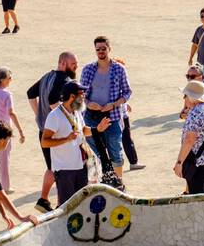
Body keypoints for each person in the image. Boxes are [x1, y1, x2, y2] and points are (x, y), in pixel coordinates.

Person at [27, 51, 81, 213]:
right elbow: (52, 101)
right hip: (56, 133)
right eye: (73, 64)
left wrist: (38, 115)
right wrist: (67, 118)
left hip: (43, 129)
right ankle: (53, 201)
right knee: (58, 169)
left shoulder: (47, 76)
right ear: (63, 63)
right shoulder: (64, 79)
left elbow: (30, 93)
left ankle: (45, 200)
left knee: (53, 167)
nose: (75, 67)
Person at [81, 35, 137, 180]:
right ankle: (99, 182)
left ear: (109, 49)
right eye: (98, 49)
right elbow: (81, 94)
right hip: (91, 117)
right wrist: (88, 103)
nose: (101, 51)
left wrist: (114, 104)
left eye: (103, 49)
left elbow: (127, 92)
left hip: (112, 116)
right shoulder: (88, 69)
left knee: (115, 152)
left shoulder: (119, 69)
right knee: (93, 153)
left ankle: (119, 185)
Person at [42, 83, 106, 205]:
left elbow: (82, 131)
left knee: (82, 205)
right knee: (67, 207)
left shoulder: (76, 112)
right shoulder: (54, 116)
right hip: (65, 170)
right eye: (82, 94)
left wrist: (97, 129)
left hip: (80, 166)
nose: (84, 97)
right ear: (72, 96)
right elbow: (45, 142)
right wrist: (66, 139)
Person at [173, 79, 204, 194]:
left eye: (185, 95)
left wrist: (179, 162)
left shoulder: (196, 112)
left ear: (192, 96)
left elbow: (190, 140)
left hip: (198, 162)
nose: (184, 98)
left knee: (197, 200)